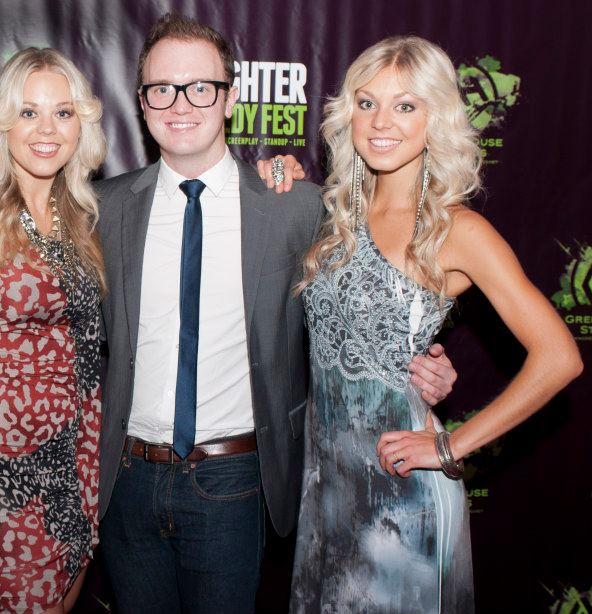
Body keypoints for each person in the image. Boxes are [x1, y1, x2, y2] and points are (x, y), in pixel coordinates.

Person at [94, 15, 458, 614]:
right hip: (125, 483)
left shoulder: (295, 206)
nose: (180, 104)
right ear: (141, 101)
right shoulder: (104, 209)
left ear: (231, 97)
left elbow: (368, 301)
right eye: (162, 88)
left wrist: (424, 362)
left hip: (233, 483)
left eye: (200, 87)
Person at [287, 36, 582, 612]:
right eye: (367, 103)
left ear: (436, 117)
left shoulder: (456, 230)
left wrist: (450, 446)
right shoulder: (336, 215)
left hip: (403, 503)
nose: (380, 122)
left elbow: (559, 356)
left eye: (406, 105)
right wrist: (278, 173)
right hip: (326, 490)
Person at [0, 48, 106, 614]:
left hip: (75, 457)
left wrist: (277, 170)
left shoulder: (86, 216)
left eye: (62, 112)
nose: (46, 129)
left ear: (82, 123)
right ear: (1, 121)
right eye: (28, 112)